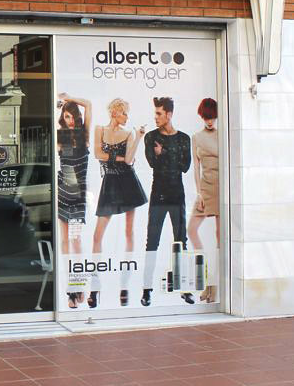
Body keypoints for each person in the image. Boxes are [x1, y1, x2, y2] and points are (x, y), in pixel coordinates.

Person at [89, 98, 147, 308]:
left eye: (127, 113)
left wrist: (138, 137)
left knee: (128, 233)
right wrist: (120, 158)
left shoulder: (130, 133)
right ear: (114, 112)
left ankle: (125, 284)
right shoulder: (99, 129)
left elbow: (130, 160)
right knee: (97, 236)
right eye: (124, 113)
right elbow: (97, 154)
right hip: (110, 183)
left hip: (128, 182)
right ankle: (95, 286)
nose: (127, 117)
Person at [142, 97, 193, 307]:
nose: (155, 117)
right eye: (155, 113)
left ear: (169, 114)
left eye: (159, 113)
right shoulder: (150, 137)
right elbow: (152, 162)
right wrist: (164, 155)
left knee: (181, 241)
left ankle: (185, 288)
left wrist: (164, 152)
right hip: (158, 196)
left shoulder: (184, 138)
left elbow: (185, 166)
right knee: (152, 242)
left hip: (177, 195)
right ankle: (146, 290)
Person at [56, 93, 91, 309]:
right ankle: (70, 291)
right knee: (64, 242)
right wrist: (59, 106)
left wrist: (68, 98)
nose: (69, 120)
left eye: (72, 116)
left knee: (76, 241)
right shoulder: (61, 136)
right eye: (66, 116)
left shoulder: (84, 134)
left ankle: (80, 286)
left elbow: (88, 104)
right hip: (63, 191)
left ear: (77, 117)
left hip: (78, 196)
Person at [188, 98, 219, 303]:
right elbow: (196, 168)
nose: (209, 121)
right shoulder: (197, 137)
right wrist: (198, 193)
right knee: (191, 230)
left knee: (220, 237)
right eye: (206, 117)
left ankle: (214, 285)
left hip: (221, 187)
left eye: (212, 117)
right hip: (205, 188)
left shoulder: (223, 135)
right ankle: (208, 278)